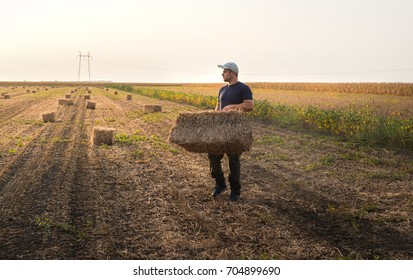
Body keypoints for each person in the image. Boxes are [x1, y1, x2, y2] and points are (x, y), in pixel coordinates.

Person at [209, 62, 254, 201]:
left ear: (233, 73)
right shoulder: (222, 89)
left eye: (225, 71)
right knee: (213, 155)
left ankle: (235, 191)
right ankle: (220, 184)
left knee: (233, 160)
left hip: (235, 130)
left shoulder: (243, 88)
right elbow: (218, 107)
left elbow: (250, 105)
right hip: (220, 129)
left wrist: (232, 107)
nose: (222, 74)